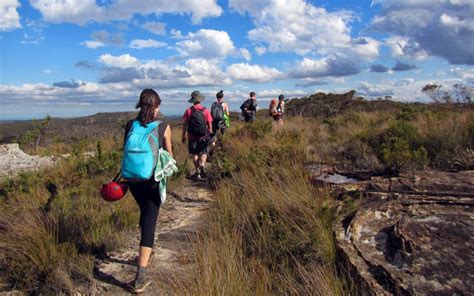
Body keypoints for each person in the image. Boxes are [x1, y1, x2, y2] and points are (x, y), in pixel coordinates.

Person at [123, 89, 173, 293]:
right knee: (150, 219)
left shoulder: (129, 125)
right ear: (156, 106)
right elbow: (169, 155)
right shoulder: (163, 127)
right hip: (152, 179)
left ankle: (146, 252)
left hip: (133, 179)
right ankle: (140, 276)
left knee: (144, 212)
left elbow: (124, 150)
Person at [182, 90, 213, 179]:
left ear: (192, 100)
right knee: (204, 152)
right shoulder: (206, 110)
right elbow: (209, 124)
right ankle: (202, 164)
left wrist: (183, 135)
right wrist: (210, 134)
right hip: (203, 136)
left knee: (195, 154)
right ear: (200, 99)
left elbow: (185, 124)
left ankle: (197, 172)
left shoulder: (188, 111)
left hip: (192, 136)